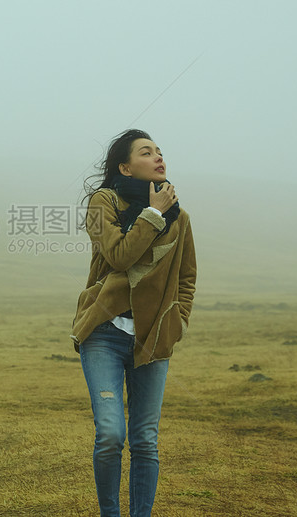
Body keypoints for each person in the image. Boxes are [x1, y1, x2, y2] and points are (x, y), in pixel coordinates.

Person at [71, 128, 197, 517]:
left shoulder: (181, 217)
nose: (159, 157)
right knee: (111, 435)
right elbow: (119, 256)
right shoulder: (103, 202)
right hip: (104, 333)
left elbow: (187, 277)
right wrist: (153, 213)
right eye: (147, 152)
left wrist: (177, 321)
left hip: (153, 338)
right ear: (125, 166)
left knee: (145, 440)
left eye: (160, 151)